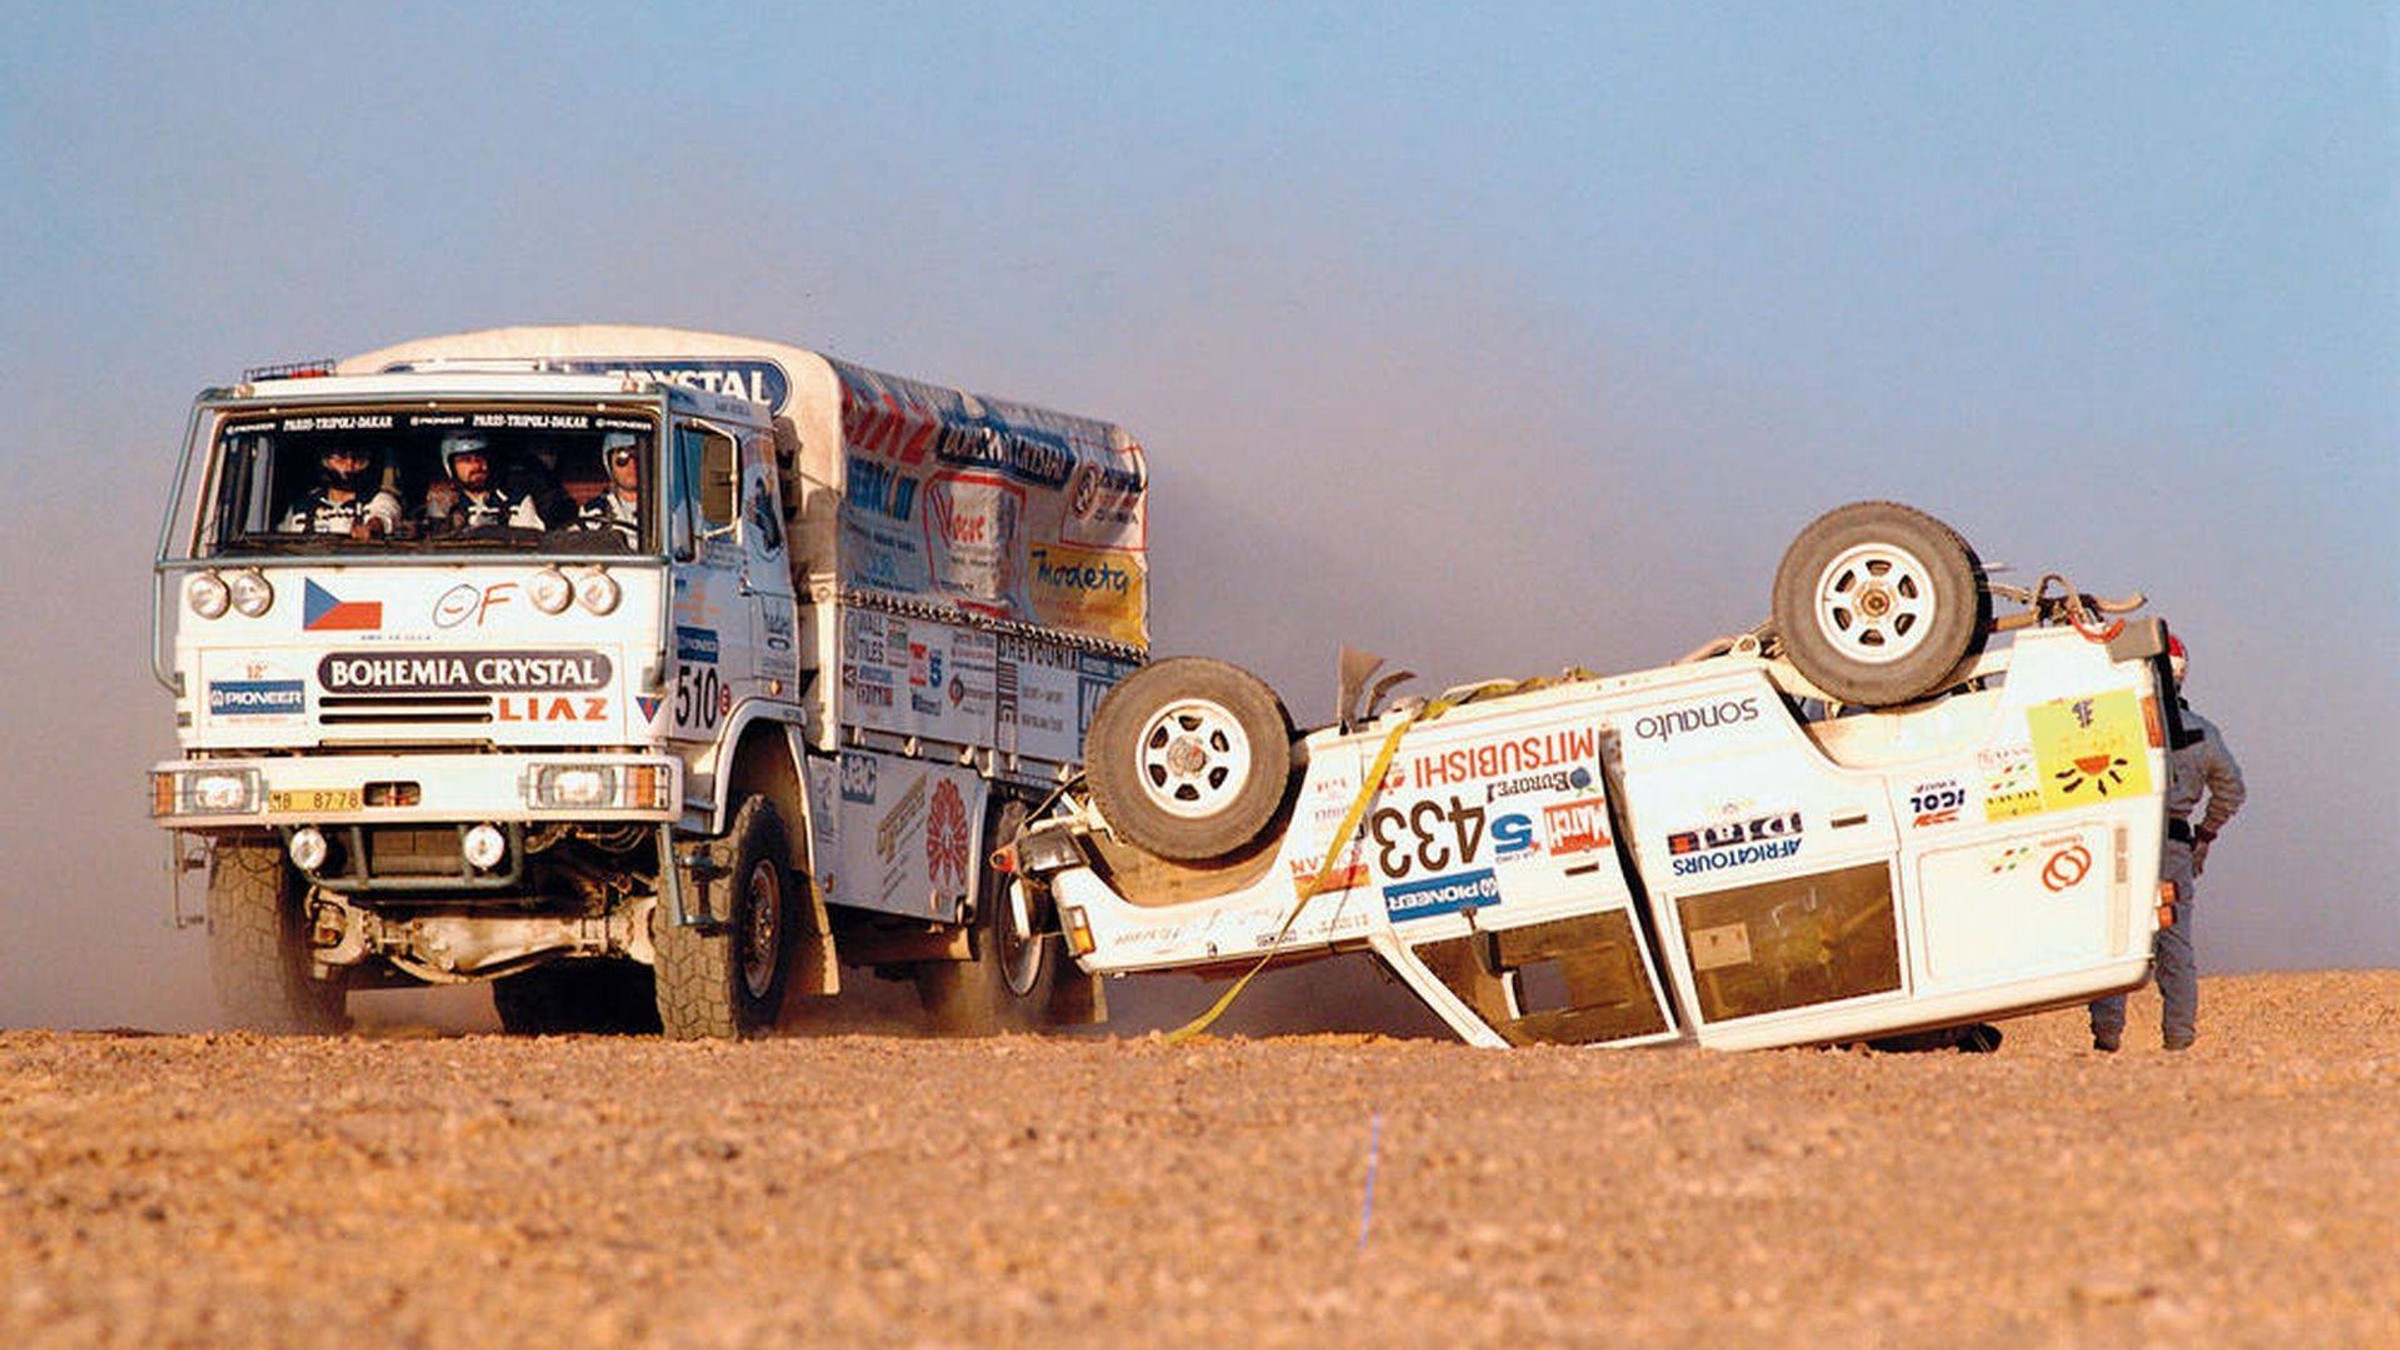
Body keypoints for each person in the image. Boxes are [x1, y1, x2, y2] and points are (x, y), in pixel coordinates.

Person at [2090, 633, 2246, 1052]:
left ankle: (2107, 1039)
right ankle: (2179, 1041)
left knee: (2116, 937)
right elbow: (2232, 790)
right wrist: (2206, 834)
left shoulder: (2113, 722)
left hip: (2121, 843)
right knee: (2174, 943)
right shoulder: (2205, 733)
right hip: (2173, 848)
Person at [420, 433, 542, 533]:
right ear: (450, 466)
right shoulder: (443, 503)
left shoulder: (516, 499)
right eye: (466, 460)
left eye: (480, 457)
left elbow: (529, 547)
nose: (477, 465)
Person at [277, 444, 403, 537]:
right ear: (325, 461)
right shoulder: (302, 504)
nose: (349, 464)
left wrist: (371, 528)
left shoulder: (379, 499)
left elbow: (383, 516)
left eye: (358, 458)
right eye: (341, 457)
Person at [574, 431, 643, 545]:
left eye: (637, 455)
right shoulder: (592, 511)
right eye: (622, 459)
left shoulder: (666, 508)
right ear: (609, 463)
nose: (632, 464)